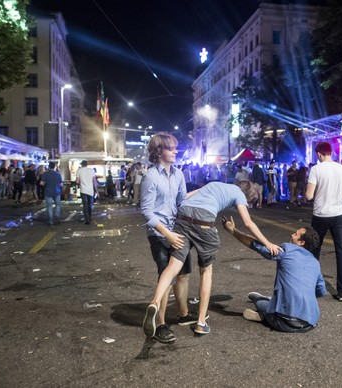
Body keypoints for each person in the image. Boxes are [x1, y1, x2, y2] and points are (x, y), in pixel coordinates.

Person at [142, 180, 280, 337]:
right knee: (206, 271)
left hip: (183, 217)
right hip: (204, 222)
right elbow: (248, 223)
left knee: (173, 265)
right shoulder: (239, 194)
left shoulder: (215, 184)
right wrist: (268, 243)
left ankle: (155, 302)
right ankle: (201, 323)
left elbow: (186, 196)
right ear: (248, 195)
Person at [222, 216, 327, 332]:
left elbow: (256, 245)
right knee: (272, 302)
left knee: (261, 303)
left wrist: (233, 231)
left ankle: (265, 314)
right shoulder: (315, 262)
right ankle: (271, 306)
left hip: (285, 322)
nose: (292, 235)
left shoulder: (287, 251)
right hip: (310, 323)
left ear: (302, 242)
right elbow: (321, 291)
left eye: (296, 234)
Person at [140, 133, 198, 344]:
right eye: (171, 148)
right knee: (166, 277)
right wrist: (167, 234)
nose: (176, 151)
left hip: (179, 230)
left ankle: (183, 315)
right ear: (159, 151)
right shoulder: (150, 177)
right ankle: (160, 325)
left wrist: (204, 191)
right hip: (159, 234)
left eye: (175, 148)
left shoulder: (179, 174)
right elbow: (146, 211)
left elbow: (182, 200)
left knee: (183, 274)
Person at [304, 142, 342, 302]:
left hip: (320, 215)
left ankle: (311, 287)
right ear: (331, 152)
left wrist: (319, 192)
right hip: (338, 215)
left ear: (319, 154)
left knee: (314, 250)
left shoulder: (316, 169)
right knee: (341, 251)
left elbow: (309, 196)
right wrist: (337, 195)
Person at [76, 160, 98, 225]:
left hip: (83, 190)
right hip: (90, 191)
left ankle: (87, 219)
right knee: (90, 204)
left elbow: (77, 181)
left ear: (82, 164)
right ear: (87, 164)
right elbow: (94, 181)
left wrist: (81, 182)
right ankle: (90, 217)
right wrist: (96, 190)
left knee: (85, 205)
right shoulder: (92, 170)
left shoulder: (79, 170)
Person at [40, 161, 62, 226]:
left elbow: (42, 183)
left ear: (49, 167)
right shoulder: (58, 174)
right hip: (57, 192)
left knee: (49, 206)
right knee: (58, 205)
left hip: (48, 192)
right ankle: (57, 215)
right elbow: (61, 184)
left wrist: (45, 184)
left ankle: (51, 221)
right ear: (54, 166)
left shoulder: (45, 174)